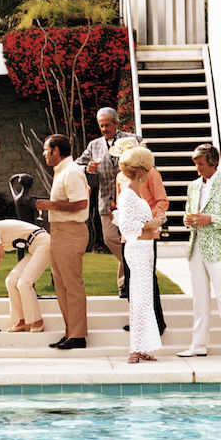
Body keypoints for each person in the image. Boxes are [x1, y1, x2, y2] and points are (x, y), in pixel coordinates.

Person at [179, 144, 221, 359]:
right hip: (196, 247)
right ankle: (198, 345)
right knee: (199, 299)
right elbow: (189, 213)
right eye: (195, 164)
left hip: (220, 250)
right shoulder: (193, 186)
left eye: (200, 164)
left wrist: (211, 219)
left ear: (213, 163)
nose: (197, 168)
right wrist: (188, 220)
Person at [35, 134, 90, 350]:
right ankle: (71, 332)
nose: (44, 154)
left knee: (72, 284)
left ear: (56, 151)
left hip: (71, 232)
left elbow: (80, 203)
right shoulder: (63, 172)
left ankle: (78, 335)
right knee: (61, 285)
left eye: (46, 149)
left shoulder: (72, 172)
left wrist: (50, 205)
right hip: (59, 232)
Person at [74, 107, 136, 298]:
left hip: (130, 199)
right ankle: (133, 265)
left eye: (107, 125)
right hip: (106, 200)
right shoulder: (94, 145)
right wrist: (88, 168)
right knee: (110, 238)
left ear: (116, 123)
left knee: (128, 238)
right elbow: (77, 164)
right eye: (101, 125)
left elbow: (147, 164)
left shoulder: (132, 140)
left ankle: (124, 283)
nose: (104, 129)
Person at [112, 146, 166, 363]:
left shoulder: (134, 194)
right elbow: (126, 227)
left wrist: (152, 225)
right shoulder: (127, 195)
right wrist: (151, 224)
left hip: (145, 249)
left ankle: (143, 346)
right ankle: (134, 348)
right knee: (139, 297)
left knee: (144, 298)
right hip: (138, 250)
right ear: (141, 172)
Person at [0, 219, 50, 332]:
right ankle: (21, 321)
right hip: (34, 248)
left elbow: (0, 254)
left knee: (24, 283)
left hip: (43, 242)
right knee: (10, 281)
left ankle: (37, 320)